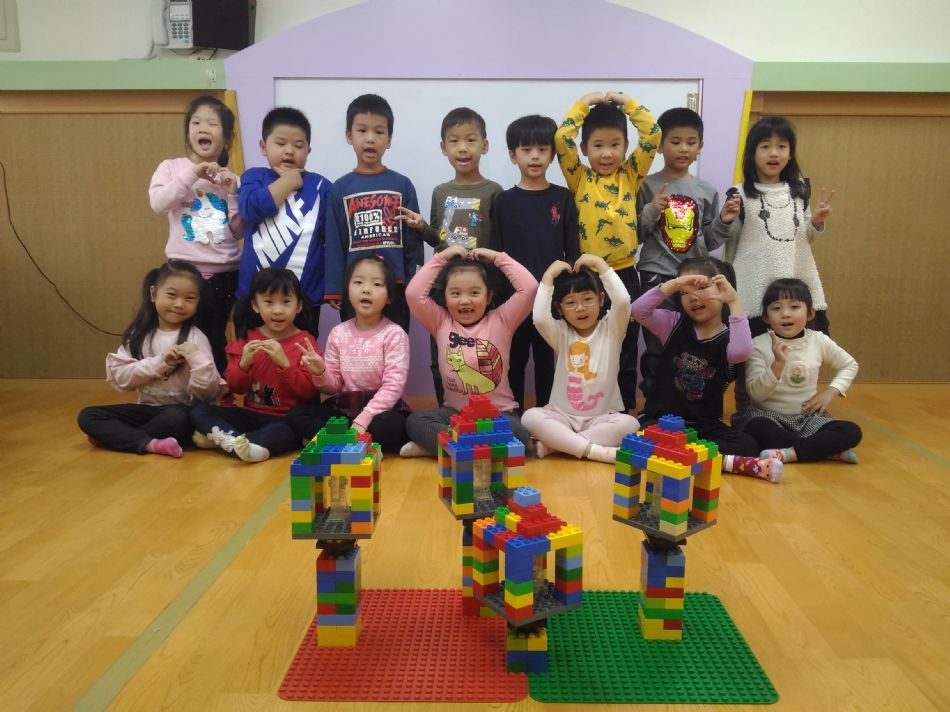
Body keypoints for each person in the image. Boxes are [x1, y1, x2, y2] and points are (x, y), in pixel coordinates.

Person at [631, 257, 784, 482]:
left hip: (704, 427)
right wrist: (674, 283)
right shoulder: (672, 323)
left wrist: (734, 301)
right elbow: (638, 311)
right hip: (662, 422)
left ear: (722, 290)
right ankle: (722, 462)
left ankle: (682, 456)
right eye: (685, 292)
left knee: (747, 444)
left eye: (702, 288)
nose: (693, 297)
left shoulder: (729, 338)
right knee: (645, 436)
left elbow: (742, 351)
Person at [555, 90, 661, 413]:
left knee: (626, 341)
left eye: (615, 145)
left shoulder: (631, 174)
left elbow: (653, 134)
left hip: (625, 272)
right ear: (584, 149)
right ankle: (589, 403)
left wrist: (627, 103)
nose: (606, 153)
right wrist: (583, 105)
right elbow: (561, 139)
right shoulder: (579, 177)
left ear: (625, 146)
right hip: (589, 277)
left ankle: (624, 406)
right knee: (589, 342)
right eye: (598, 146)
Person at [396, 107, 502, 406]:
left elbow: (498, 241)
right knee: (442, 352)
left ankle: (486, 406)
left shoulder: (494, 191)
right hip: (444, 285)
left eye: (470, 140)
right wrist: (421, 227)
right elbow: (438, 238)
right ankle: (447, 407)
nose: (462, 148)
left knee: (481, 350)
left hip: (480, 286)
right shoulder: (441, 192)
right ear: (444, 148)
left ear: (484, 145)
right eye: (454, 141)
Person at [400, 245, 538, 457]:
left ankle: (446, 446)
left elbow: (529, 288)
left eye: (474, 293)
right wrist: (441, 258)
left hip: (498, 415)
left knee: (519, 433)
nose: (464, 300)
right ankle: (470, 446)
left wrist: (498, 258)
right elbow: (413, 294)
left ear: (488, 297)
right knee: (416, 421)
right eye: (455, 293)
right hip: (455, 415)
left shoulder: (502, 320)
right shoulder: (440, 322)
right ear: (445, 297)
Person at [78, 260, 223, 458]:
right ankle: (150, 443)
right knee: (88, 416)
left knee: (178, 417)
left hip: (181, 414)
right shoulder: (139, 335)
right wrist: (161, 362)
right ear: (154, 294)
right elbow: (122, 379)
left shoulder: (196, 338)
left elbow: (208, 395)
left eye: (189, 298)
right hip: (148, 411)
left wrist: (196, 360)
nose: (179, 304)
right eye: (171, 295)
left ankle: (119, 438)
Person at [636, 107, 730, 398]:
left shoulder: (707, 190)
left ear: (700, 146)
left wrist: (724, 221)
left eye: (691, 142)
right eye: (675, 141)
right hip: (657, 275)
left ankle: (686, 402)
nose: (684, 148)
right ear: (660, 145)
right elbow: (635, 234)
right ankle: (654, 401)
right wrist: (652, 210)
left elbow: (709, 241)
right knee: (657, 345)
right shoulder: (645, 184)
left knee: (693, 345)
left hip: (696, 279)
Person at [490, 114, 580, 411]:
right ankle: (513, 414)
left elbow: (572, 251)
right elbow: (496, 252)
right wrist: (497, 297)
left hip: (550, 296)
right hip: (513, 298)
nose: (535, 156)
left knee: (547, 360)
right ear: (512, 155)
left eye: (542, 149)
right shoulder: (503, 201)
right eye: (526, 149)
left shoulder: (563, 197)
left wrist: (566, 293)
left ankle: (548, 413)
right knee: (513, 359)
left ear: (553, 155)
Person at [148, 95, 244, 373]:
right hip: (183, 271)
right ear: (188, 131)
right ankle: (180, 388)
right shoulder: (171, 168)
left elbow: (239, 230)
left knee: (214, 336)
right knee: (180, 335)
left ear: (226, 137)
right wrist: (193, 174)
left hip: (225, 273)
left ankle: (217, 389)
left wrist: (233, 193)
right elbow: (158, 203)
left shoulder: (232, 178)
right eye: (196, 122)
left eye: (213, 124)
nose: (203, 128)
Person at [190, 268, 318, 462]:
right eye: (268, 302)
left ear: (298, 306)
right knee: (199, 411)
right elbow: (236, 388)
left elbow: (307, 392)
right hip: (250, 414)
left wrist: (285, 364)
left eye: (286, 302)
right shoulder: (247, 337)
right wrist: (244, 364)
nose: (277, 310)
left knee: (285, 433)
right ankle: (239, 442)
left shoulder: (305, 341)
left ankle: (226, 440)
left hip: (284, 419)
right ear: (255, 305)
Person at [521, 254, 639, 463]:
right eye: (570, 303)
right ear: (560, 309)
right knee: (529, 417)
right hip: (561, 416)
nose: (580, 308)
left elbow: (622, 301)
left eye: (587, 299)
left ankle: (559, 445)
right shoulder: (561, 334)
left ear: (600, 300)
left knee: (631, 425)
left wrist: (601, 266)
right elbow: (539, 318)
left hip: (601, 418)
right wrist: (547, 278)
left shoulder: (612, 329)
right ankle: (594, 451)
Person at [287, 254, 411, 452]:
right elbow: (332, 387)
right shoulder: (338, 333)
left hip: (381, 411)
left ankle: (335, 441)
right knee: (297, 414)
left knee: (392, 425)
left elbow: (393, 387)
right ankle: (351, 442)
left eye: (377, 284)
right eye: (358, 282)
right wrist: (320, 372)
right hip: (345, 409)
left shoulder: (394, 334)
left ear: (389, 297)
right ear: (348, 290)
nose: (366, 289)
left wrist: (362, 421)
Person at [734, 278, 861, 464]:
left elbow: (849, 365)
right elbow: (756, 395)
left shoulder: (819, 340)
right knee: (757, 429)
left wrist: (830, 392)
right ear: (766, 317)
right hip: (768, 416)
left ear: (810, 313)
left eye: (794, 307)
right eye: (776, 308)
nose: (785, 314)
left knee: (852, 431)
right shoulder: (758, 345)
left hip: (807, 418)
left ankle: (792, 453)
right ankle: (822, 450)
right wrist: (778, 364)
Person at [324, 94, 421, 332]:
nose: (370, 138)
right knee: (353, 345)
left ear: (389, 139)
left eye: (379, 132)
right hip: (355, 287)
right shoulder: (339, 189)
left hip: (395, 286)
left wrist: (413, 282)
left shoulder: (402, 184)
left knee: (395, 343)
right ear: (349, 136)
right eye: (362, 131)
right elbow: (334, 241)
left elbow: (413, 239)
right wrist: (335, 288)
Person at [237, 107, 330, 338]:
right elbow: (249, 209)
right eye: (280, 143)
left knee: (301, 356)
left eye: (298, 145)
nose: (289, 151)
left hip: (304, 298)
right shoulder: (254, 177)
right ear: (263, 146)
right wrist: (288, 181)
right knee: (251, 354)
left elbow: (331, 240)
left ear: (308, 150)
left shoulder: (322, 187)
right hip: (254, 298)